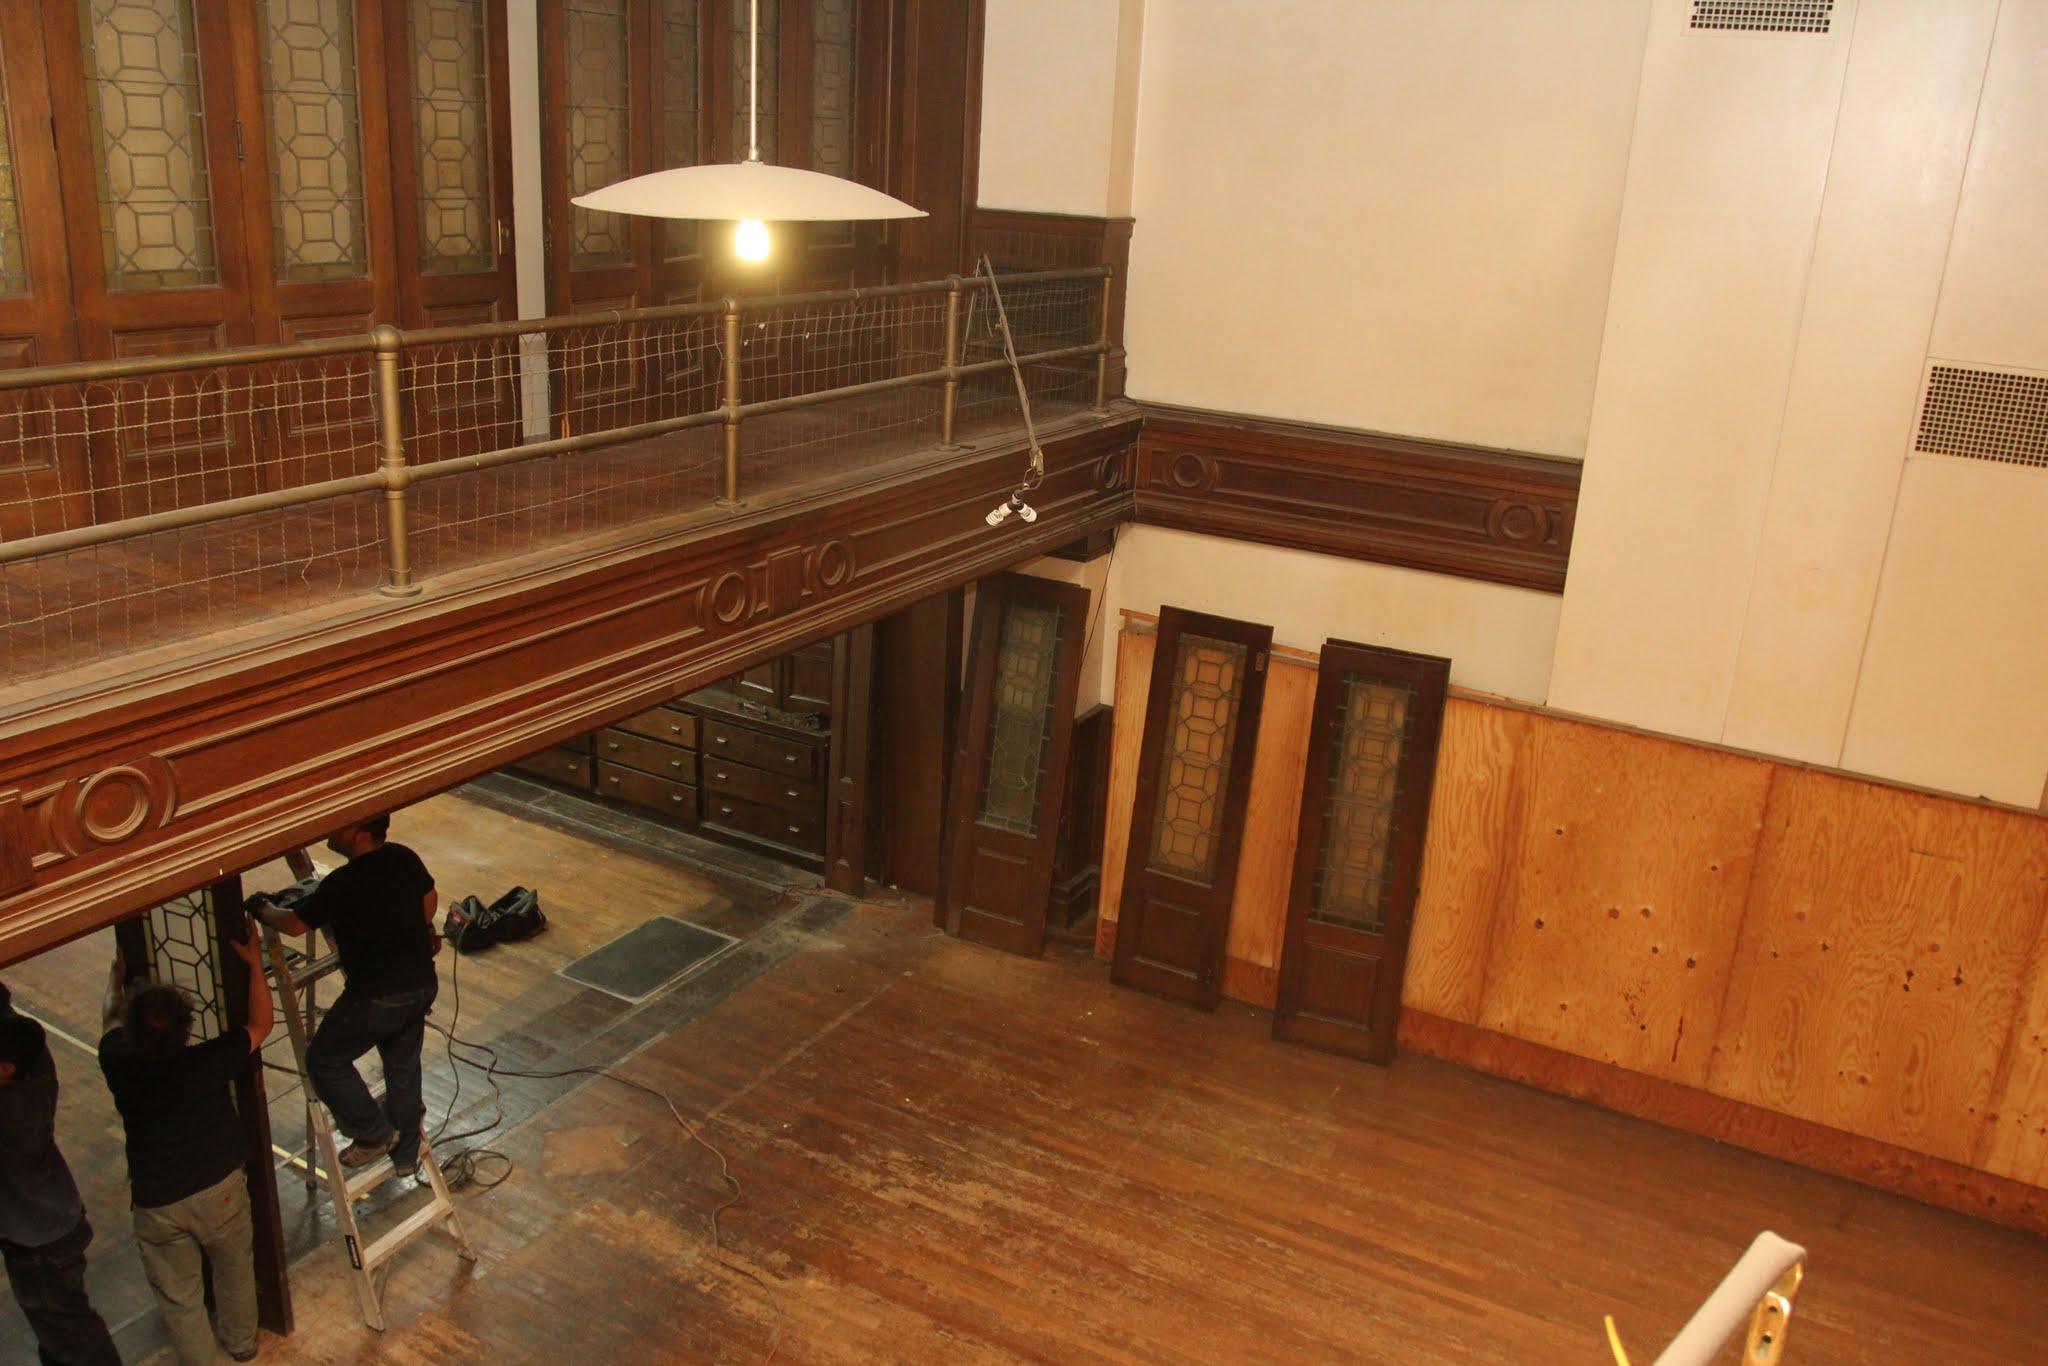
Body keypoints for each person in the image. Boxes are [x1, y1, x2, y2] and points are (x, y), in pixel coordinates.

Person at [97, 930, 273, 1365]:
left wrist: (114, 981)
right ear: (186, 1028)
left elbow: (109, 1020)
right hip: (220, 1187)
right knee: (234, 1271)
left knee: (180, 1298)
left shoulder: (117, 1061)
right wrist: (254, 965)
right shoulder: (206, 1061)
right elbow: (261, 1025)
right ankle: (242, 1344)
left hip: (159, 1200)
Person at [255, 815, 439, 1176]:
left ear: (359, 834)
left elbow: (293, 925)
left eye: (338, 824)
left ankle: (372, 1135)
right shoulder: (403, 857)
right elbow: (428, 902)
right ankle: (405, 1158)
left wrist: (261, 908)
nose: (328, 827)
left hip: (377, 994)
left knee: (324, 1061)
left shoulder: (343, 883)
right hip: (420, 983)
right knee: (402, 1069)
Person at [0, 981, 120, 1366]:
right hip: (55, 1220)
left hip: (38, 1241)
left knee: (73, 1338)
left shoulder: (13, 1113)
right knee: (59, 1332)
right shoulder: (34, 1065)